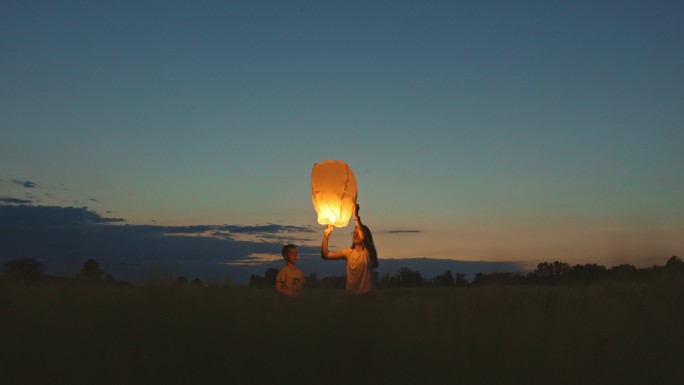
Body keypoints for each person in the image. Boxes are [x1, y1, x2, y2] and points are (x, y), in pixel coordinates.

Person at [321, 204, 378, 295]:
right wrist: (326, 235)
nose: (355, 235)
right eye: (354, 233)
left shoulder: (368, 253)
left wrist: (356, 217)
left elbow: (364, 239)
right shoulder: (348, 253)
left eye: (358, 233)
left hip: (367, 295)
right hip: (351, 296)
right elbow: (325, 255)